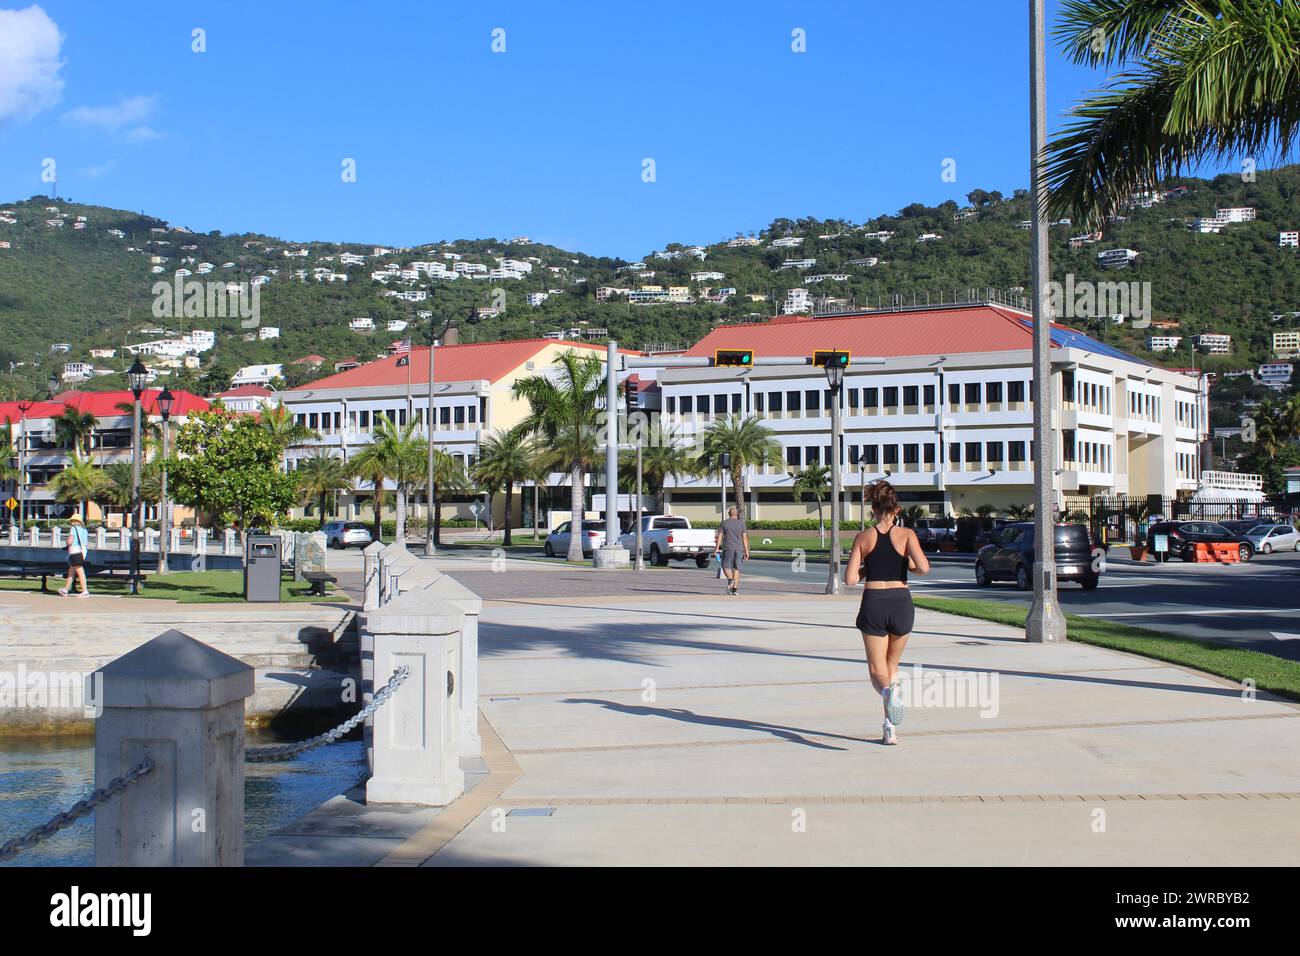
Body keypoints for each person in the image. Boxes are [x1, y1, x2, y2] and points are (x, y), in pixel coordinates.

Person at [845, 481, 930, 745]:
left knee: (876, 669)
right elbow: (924, 568)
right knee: (891, 666)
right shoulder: (907, 535)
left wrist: (866, 569)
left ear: (873, 508)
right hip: (901, 602)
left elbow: (849, 580)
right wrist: (908, 565)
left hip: (875, 602)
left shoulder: (863, 537)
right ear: (896, 508)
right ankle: (890, 728)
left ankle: (885, 693)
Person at [714, 505, 750, 596]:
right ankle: (735, 589)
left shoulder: (724, 523)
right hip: (739, 549)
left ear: (729, 514)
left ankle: (730, 580)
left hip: (728, 548)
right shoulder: (741, 523)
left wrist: (717, 548)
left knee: (725, 566)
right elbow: (744, 538)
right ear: (737, 514)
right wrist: (746, 551)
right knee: (736, 569)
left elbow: (720, 536)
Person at [58, 515, 91, 598]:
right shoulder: (84, 530)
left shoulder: (73, 529)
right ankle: (66, 589)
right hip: (82, 551)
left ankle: (85, 591)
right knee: (71, 570)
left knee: (80, 570)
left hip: (75, 551)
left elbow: (70, 541)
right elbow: (86, 543)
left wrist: (67, 542)